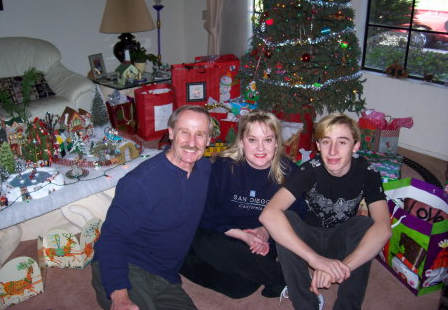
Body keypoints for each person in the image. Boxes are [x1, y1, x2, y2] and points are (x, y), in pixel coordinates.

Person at [259, 113, 392, 310]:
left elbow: (384, 228)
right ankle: (306, 304)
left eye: (342, 142)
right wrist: (316, 260)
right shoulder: (309, 170)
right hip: (308, 238)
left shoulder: (369, 173)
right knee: (284, 219)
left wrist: (341, 268)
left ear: (355, 146)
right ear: (318, 146)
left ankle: (347, 306)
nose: (333, 151)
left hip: (341, 241)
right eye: (326, 142)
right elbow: (268, 214)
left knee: (366, 226)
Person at [91, 105, 213, 310]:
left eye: (200, 135)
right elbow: (112, 238)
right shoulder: (140, 183)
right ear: (171, 133)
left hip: (165, 276)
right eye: (185, 132)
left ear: (209, 140)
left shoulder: (204, 169)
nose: (192, 143)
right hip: (126, 266)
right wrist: (120, 295)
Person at [180, 110, 307, 299]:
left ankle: (179, 257)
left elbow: (299, 215)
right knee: (204, 241)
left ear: (276, 143)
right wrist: (241, 235)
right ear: (241, 142)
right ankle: (284, 276)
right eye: (253, 140)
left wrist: (265, 230)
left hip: (260, 244)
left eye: (268, 140)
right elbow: (206, 212)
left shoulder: (289, 172)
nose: (260, 148)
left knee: (240, 288)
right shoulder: (223, 166)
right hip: (223, 233)